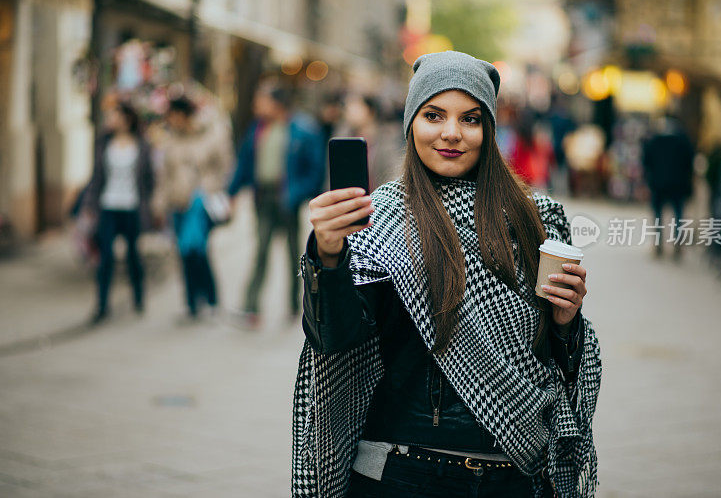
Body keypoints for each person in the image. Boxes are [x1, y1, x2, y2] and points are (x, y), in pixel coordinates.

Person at [292, 51, 602, 497]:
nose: (452, 133)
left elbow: (552, 361)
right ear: (411, 125)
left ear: (489, 130)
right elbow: (336, 339)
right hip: (402, 475)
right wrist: (328, 255)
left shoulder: (538, 221)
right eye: (433, 115)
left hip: (512, 477)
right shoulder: (379, 222)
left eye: (471, 119)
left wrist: (566, 322)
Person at [228, 84, 325, 327]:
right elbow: (244, 164)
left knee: (293, 255)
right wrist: (232, 193)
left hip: (288, 201)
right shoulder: (257, 129)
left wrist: (299, 194)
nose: (256, 106)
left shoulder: (302, 129)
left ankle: (295, 307)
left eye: (261, 101)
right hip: (263, 198)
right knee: (261, 250)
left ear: (276, 103)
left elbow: (315, 171)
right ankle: (251, 307)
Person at [153, 96, 231, 318]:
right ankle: (192, 302)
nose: (171, 120)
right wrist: (159, 203)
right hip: (177, 203)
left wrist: (209, 189)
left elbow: (224, 167)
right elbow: (164, 176)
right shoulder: (170, 141)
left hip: (200, 204)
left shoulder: (210, 135)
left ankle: (210, 297)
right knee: (184, 252)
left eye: (174, 115)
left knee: (197, 250)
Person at [83, 102, 154, 324]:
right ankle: (102, 305)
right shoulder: (104, 143)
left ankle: (138, 297)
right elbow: (96, 177)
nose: (110, 120)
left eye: (114, 115)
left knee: (133, 255)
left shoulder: (142, 145)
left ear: (127, 119)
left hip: (131, 207)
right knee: (105, 258)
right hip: (109, 206)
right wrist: (90, 204)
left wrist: (149, 205)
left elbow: (149, 179)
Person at [642, 114, 695, 259]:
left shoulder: (655, 141)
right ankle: (678, 243)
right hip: (678, 184)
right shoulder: (682, 141)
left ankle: (659, 243)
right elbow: (690, 162)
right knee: (678, 215)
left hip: (658, 184)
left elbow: (646, 161)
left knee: (658, 215)